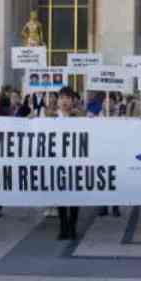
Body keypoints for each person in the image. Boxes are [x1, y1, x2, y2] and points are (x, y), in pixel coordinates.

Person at [48, 87, 84, 240]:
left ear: (72, 100)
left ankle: (73, 226)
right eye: (62, 98)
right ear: (58, 100)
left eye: (68, 98)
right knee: (61, 196)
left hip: (75, 162)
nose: (64, 101)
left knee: (75, 197)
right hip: (57, 162)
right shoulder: (50, 117)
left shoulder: (79, 117)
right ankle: (63, 227)